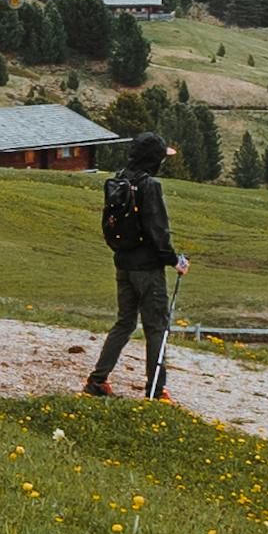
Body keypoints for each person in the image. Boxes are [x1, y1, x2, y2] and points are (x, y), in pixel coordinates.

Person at [83, 136, 187, 399]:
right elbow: (158, 231)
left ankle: (97, 380)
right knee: (156, 327)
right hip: (148, 269)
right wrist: (174, 260)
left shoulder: (120, 179)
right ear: (154, 159)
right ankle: (156, 390)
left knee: (125, 322)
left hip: (124, 263)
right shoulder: (149, 185)